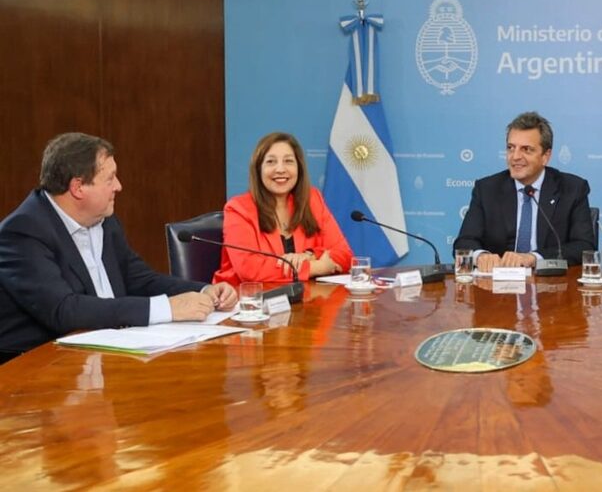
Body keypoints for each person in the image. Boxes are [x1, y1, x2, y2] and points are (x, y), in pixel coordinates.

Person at [0, 133, 237, 362]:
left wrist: (204, 290)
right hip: (39, 369)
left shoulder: (104, 219)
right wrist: (167, 308)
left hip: (105, 354)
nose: (119, 186)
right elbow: (65, 310)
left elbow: (139, 279)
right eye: (110, 178)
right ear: (78, 187)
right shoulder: (23, 232)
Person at [454, 111, 595, 273]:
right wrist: (481, 256)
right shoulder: (487, 189)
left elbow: (583, 246)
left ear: (545, 156)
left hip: (550, 287)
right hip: (497, 290)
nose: (515, 157)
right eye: (510, 148)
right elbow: (464, 241)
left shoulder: (572, 189)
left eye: (526, 149)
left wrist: (533, 257)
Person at [213, 131, 353, 286]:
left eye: (288, 161)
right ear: (258, 170)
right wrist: (315, 267)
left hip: (305, 302)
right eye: (271, 162)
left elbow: (345, 255)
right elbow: (250, 269)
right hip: (247, 303)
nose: (280, 169)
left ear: (299, 168)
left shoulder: (312, 199)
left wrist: (310, 255)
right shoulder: (238, 209)